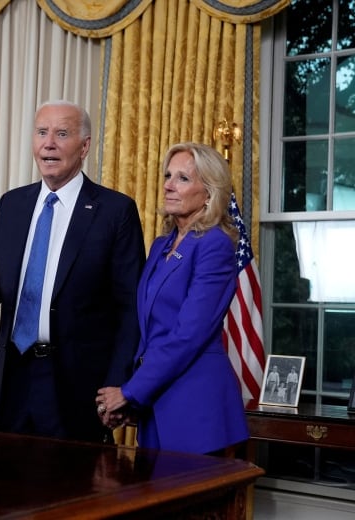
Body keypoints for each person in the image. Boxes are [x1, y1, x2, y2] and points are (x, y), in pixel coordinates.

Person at [0, 100, 145, 443]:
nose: (48, 143)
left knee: (75, 493)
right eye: (41, 132)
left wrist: (118, 383)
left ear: (84, 147)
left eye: (61, 133)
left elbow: (131, 309)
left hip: (77, 387)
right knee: (6, 492)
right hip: (14, 379)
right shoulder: (12, 205)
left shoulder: (115, 211)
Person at [94, 142, 249, 455]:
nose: (168, 185)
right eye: (168, 176)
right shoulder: (161, 246)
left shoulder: (215, 245)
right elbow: (148, 331)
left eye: (183, 178)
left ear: (209, 192)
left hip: (196, 410)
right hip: (157, 405)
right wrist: (134, 401)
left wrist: (129, 391)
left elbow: (187, 336)